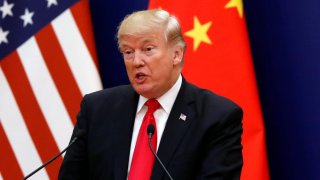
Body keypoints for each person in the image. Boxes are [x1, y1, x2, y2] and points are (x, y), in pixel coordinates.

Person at [59, 9, 243, 180]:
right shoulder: (97, 109)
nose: (136, 61)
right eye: (128, 52)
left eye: (148, 49)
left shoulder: (216, 117)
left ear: (176, 54)